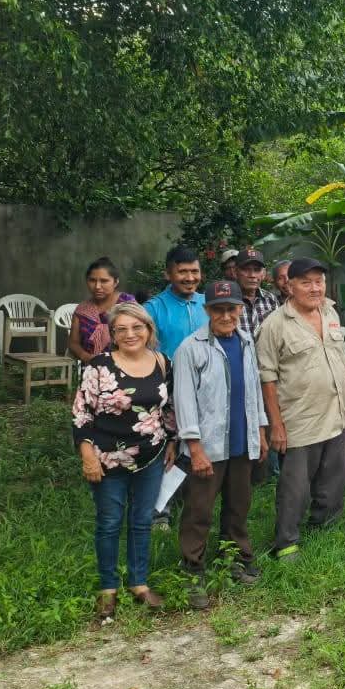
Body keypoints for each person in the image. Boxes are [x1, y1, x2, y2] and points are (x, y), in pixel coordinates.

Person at [72, 303, 176, 619]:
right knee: (110, 521)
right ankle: (108, 588)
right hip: (107, 458)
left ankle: (138, 583)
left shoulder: (162, 362)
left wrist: (172, 441)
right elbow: (81, 413)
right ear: (113, 334)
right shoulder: (99, 366)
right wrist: (88, 456)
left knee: (142, 520)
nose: (130, 334)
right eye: (122, 329)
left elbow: (168, 408)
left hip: (151, 456)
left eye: (137, 327)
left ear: (148, 330)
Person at [172, 281, 267, 609]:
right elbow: (185, 402)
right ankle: (192, 567)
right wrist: (195, 449)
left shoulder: (245, 342)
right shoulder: (190, 349)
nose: (226, 316)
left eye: (231, 309)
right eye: (218, 309)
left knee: (239, 504)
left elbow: (253, 391)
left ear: (240, 309)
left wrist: (260, 432)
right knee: (199, 509)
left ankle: (236, 557)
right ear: (207, 310)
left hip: (241, 440)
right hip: (208, 446)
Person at [255, 257, 345, 560]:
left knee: (334, 479)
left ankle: (324, 526)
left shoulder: (330, 312)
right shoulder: (274, 325)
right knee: (295, 486)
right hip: (300, 419)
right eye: (306, 282)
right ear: (290, 286)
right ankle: (286, 541)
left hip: (336, 412)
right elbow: (267, 377)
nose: (315, 288)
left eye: (319, 282)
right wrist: (276, 425)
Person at [144, 246, 207, 361]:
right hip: (169, 372)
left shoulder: (209, 303)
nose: (190, 278)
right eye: (182, 272)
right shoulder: (152, 309)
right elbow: (144, 352)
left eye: (194, 271)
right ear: (167, 274)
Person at [68, 257, 136, 362]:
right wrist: (88, 358)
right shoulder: (82, 310)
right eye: (92, 280)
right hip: (91, 367)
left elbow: (138, 337)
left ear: (116, 282)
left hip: (126, 365)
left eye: (104, 281)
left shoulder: (127, 304)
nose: (97, 286)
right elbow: (73, 343)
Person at [234, 248, 278, 339]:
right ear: (235, 272)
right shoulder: (228, 300)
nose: (252, 275)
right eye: (246, 269)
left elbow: (278, 331)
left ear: (263, 274)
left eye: (257, 270)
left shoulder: (270, 299)